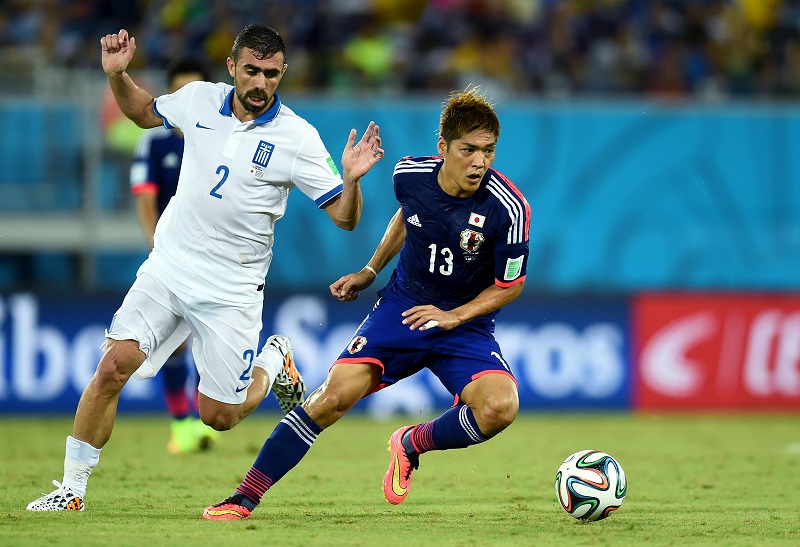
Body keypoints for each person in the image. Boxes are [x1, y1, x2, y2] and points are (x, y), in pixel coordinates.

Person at [26, 24, 384, 512]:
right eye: (252, 71)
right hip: (170, 266)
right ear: (232, 67)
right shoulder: (197, 99)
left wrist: (351, 180)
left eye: (272, 74)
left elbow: (344, 218)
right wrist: (117, 75)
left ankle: (273, 359)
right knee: (112, 366)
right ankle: (71, 489)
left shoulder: (297, 137)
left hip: (232, 288)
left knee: (218, 417)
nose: (260, 83)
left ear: (283, 75)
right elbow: (142, 112)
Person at [202, 86, 530, 521]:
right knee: (331, 398)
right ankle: (243, 497)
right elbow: (407, 218)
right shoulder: (409, 175)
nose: (480, 161)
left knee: (499, 407)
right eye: (468, 149)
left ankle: (412, 443)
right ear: (443, 148)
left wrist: (453, 316)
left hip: (464, 325)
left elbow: (510, 285)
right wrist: (371, 269)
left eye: (488, 151)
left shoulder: (508, 208)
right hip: (402, 309)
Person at [129, 57, 220, 454]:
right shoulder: (154, 141)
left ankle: (205, 420)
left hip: (215, 257)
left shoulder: (223, 137)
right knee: (174, 343)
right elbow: (145, 195)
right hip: (172, 256)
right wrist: (156, 245)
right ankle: (182, 425)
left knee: (209, 339)